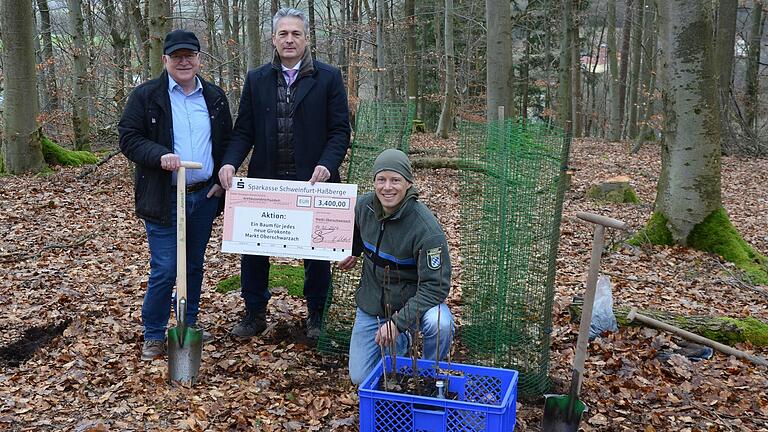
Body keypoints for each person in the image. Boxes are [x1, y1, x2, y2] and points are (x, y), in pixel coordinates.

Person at [218, 8, 351, 340]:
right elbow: (244, 130)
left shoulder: (328, 77)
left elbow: (339, 131)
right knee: (253, 248)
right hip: (266, 181)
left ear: (306, 38)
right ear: (273, 39)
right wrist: (230, 163)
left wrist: (328, 164)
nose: (289, 40)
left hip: (313, 181)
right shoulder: (257, 79)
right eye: (283, 34)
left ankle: (316, 315)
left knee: (316, 253)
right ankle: (254, 314)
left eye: (296, 34)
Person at [119, 29, 232, 360]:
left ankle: (188, 325)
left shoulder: (214, 97)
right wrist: (159, 155)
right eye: (177, 56)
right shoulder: (146, 96)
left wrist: (219, 179)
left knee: (193, 266)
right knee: (167, 267)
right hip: (164, 196)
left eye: (190, 56)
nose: (184, 62)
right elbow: (128, 138)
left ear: (198, 59)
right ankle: (153, 332)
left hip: (203, 195)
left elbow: (227, 142)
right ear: (165, 59)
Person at [338, 149, 454, 385]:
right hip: (373, 305)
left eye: (395, 180)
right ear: (374, 182)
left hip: (412, 305)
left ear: (408, 184)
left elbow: (437, 287)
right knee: (359, 376)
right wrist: (351, 251)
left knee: (440, 323)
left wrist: (398, 323)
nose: (387, 187)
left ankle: (431, 375)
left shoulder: (426, 229)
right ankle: (400, 342)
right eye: (381, 180)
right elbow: (356, 235)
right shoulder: (364, 207)